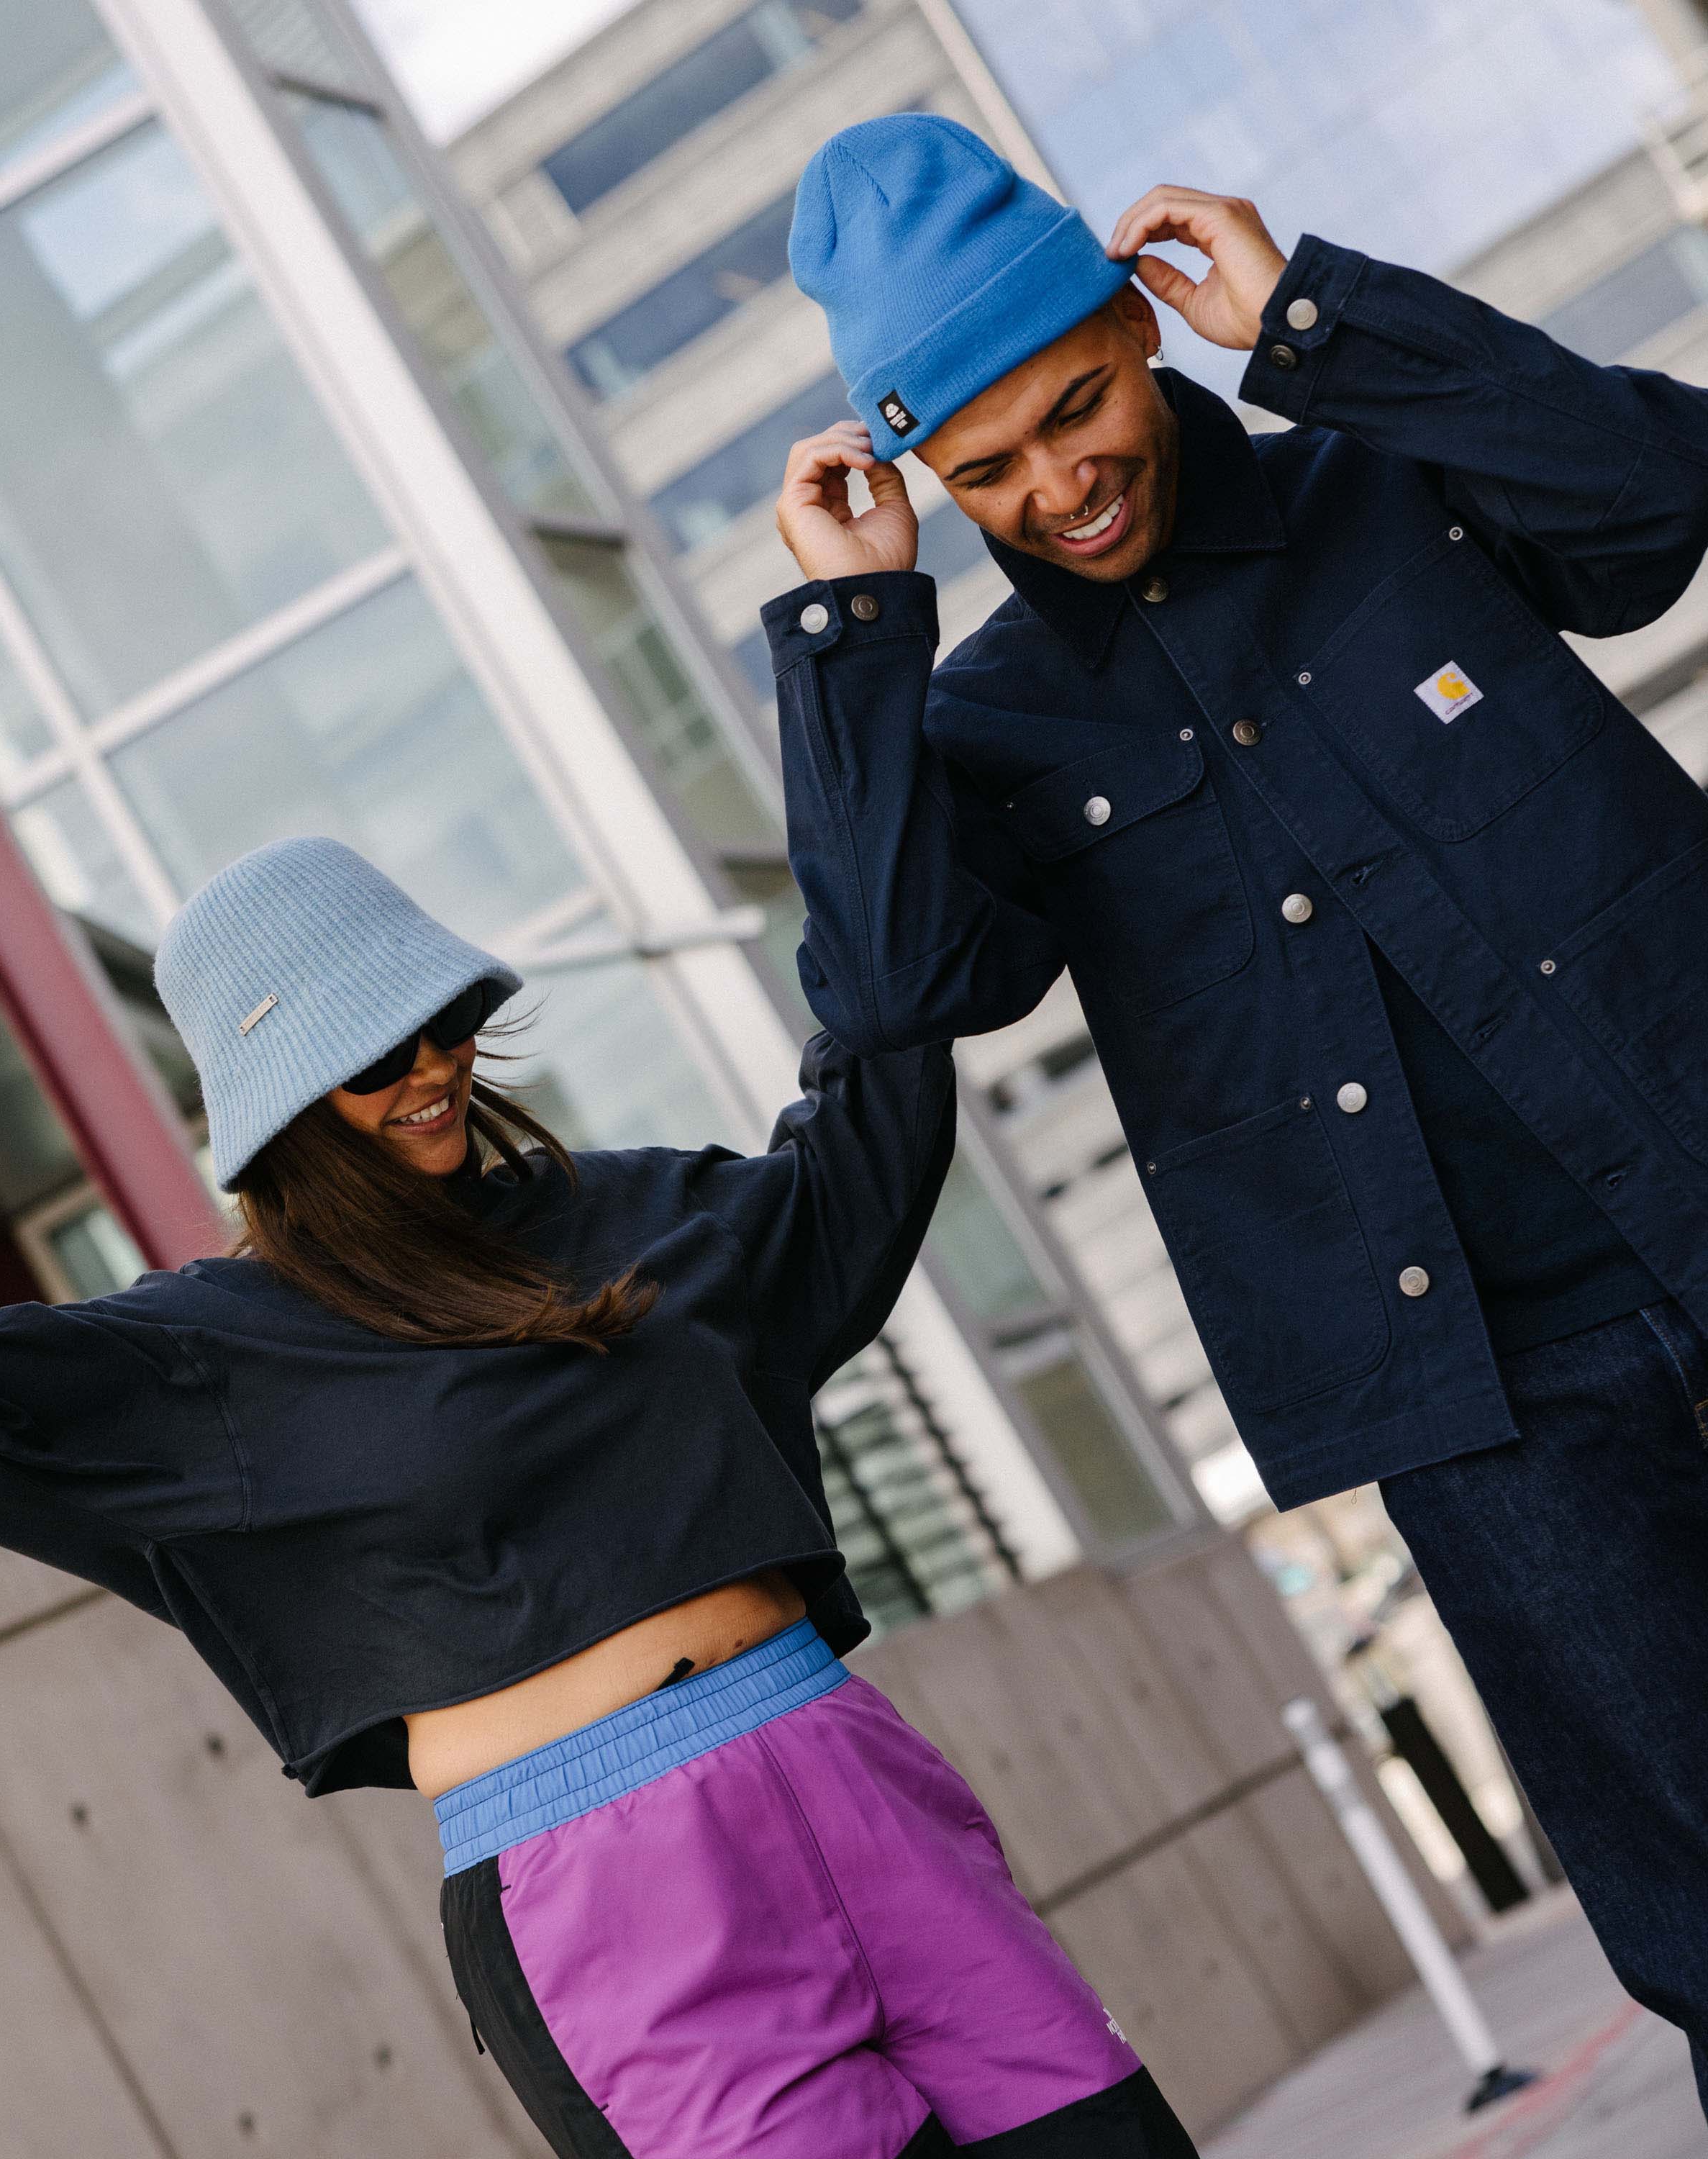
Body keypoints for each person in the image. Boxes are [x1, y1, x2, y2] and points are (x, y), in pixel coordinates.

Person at [0, 830, 1199, 2158]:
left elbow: (875, 1114)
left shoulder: (630, 1213)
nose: (428, 1072)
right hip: (608, 1893)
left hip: (847, 1775)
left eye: (443, 1026)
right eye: (371, 1057)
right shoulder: (204, 1354)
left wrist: (848, 650)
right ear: (278, 1103)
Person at [767, 112, 1708, 2112]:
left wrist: (1317, 315)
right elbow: (900, 989)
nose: (1059, 484)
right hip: (1492, 1397)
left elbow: (1655, 501)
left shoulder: (1390, 483)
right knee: (1700, 1902)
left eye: (1080, 406)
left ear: (1140, 313)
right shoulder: (987, 724)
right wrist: (851, 639)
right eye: (987, 466)